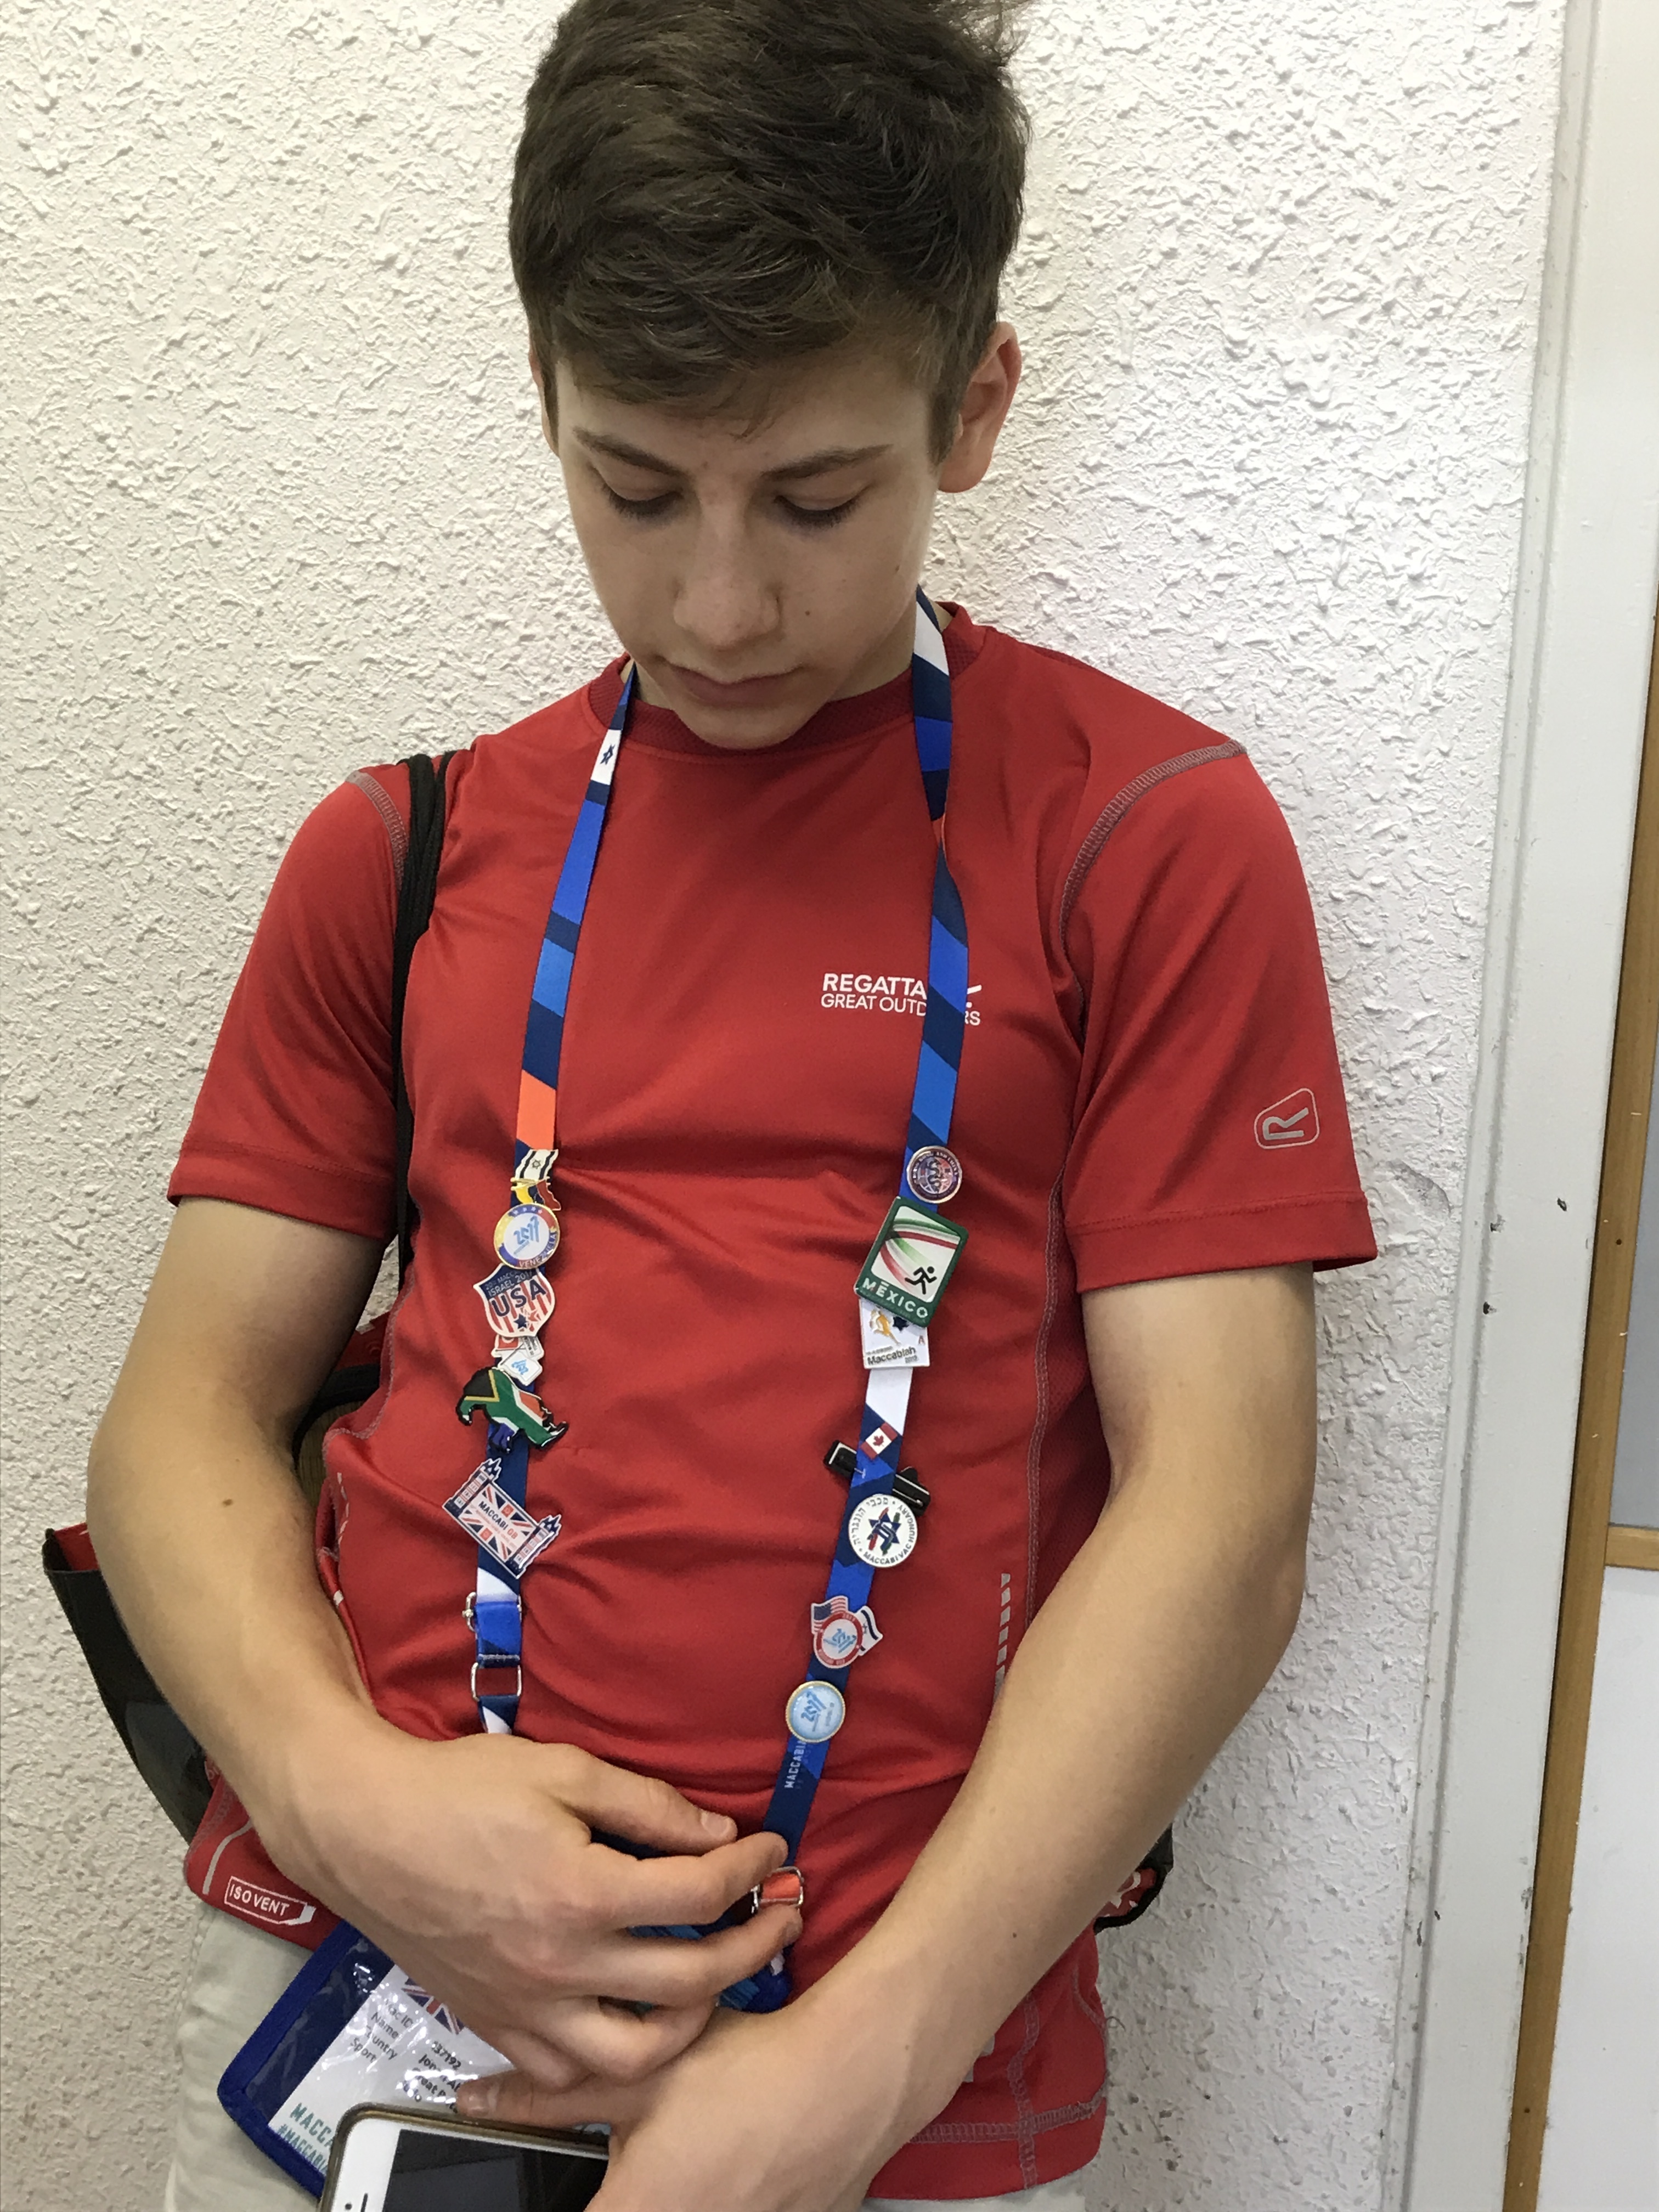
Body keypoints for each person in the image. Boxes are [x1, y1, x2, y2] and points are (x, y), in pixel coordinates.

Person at [87, 2, 1376, 2208]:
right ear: (545, 396)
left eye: (815, 497)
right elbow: (177, 1422)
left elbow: (1225, 1509)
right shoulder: (402, 852)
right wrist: (345, 1804)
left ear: (974, 406)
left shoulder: (1143, 839)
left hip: (886, 2062)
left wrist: (855, 2079)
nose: (718, 600)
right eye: (633, 488)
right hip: (374, 1999)